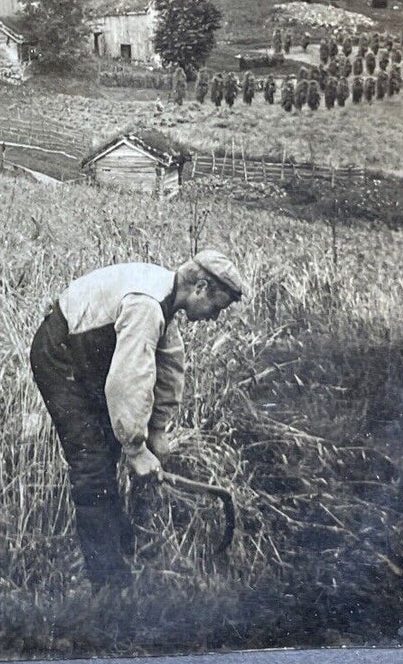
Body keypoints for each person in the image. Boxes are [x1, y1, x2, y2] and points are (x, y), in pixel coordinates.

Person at [29, 250, 245, 590]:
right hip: (60, 356)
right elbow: (129, 377)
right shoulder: (146, 305)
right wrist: (135, 447)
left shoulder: (165, 298)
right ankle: (109, 586)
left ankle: (120, 550)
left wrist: (156, 430)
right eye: (216, 308)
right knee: (92, 464)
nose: (214, 319)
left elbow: (170, 365)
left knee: (108, 452)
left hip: (90, 351)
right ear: (201, 287)